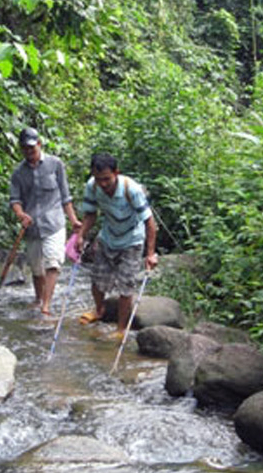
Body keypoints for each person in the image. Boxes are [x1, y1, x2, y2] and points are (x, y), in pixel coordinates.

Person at [76, 153, 159, 338]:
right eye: (99, 179)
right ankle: (99, 310)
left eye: (106, 179)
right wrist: (81, 236)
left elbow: (150, 223)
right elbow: (90, 214)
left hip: (132, 240)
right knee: (97, 278)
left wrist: (151, 254)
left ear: (116, 172)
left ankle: (121, 329)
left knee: (125, 285)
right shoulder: (92, 186)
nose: (103, 184)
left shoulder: (132, 190)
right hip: (107, 237)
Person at [9, 126, 82, 316]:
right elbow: (14, 200)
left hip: (54, 224)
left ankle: (46, 306)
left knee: (53, 263)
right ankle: (38, 298)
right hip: (32, 227)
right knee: (36, 269)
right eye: (25, 149)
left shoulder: (55, 164)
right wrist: (20, 214)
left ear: (39, 144)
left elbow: (66, 196)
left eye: (32, 148)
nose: (29, 152)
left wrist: (73, 220)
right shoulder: (18, 173)